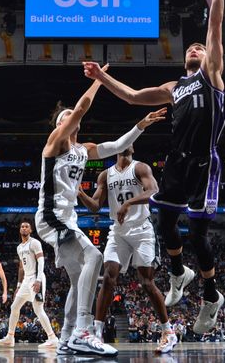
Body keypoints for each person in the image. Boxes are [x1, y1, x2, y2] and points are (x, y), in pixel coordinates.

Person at [83, 0, 225, 333]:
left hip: (204, 162)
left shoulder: (211, 76)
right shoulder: (172, 86)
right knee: (166, 223)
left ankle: (212, 297)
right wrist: (100, 77)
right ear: (184, 57)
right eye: (191, 47)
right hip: (178, 159)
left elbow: (214, 27)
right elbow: (132, 97)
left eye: (200, 46)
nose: (196, 48)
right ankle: (179, 275)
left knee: (197, 235)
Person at [35, 68, 166, 356]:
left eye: (69, 118)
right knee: (94, 256)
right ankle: (83, 331)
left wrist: (141, 125)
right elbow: (81, 108)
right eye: (63, 118)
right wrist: (99, 80)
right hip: (50, 216)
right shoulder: (55, 143)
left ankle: (67, 338)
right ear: (60, 124)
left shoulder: (84, 150)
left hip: (66, 220)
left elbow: (118, 146)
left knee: (77, 279)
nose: (69, 120)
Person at [77, 144, 178, 353]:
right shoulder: (105, 175)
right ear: (116, 147)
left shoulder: (141, 168)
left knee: (147, 282)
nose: (128, 142)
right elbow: (95, 205)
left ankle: (168, 332)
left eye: (131, 140)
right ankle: (96, 332)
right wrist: (79, 193)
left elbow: (154, 191)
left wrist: (128, 203)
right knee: (108, 276)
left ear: (133, 147)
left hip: (142, 230)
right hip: (118, 231)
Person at [0, 219, 59, 349]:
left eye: (26, 226)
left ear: (30, 230)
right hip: (26, 280)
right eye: (22, 226)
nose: (24, 228)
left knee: (38, 309)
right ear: (19, 230)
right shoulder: (19, 247)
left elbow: (41, 262)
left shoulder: (34, 243)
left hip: (35, 277)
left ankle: (53, 338)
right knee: (14, 307)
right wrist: (18, 286)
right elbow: (21, 268)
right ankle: (10, 337)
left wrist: (39, 279)